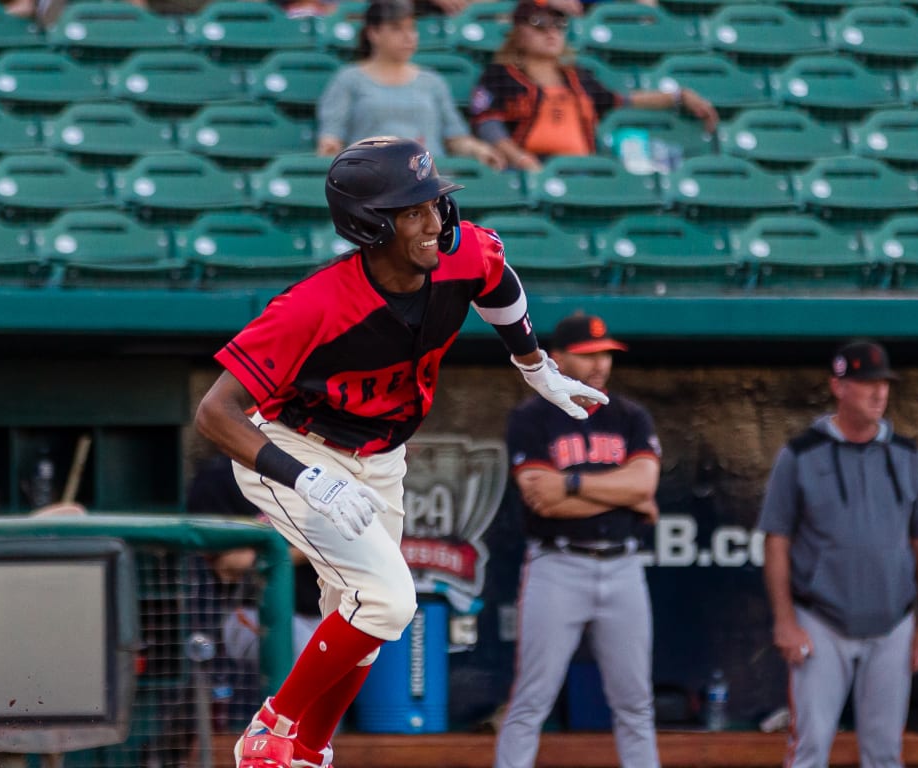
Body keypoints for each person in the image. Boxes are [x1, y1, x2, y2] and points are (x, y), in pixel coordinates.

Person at [194, 135, 608, 768]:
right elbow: (214, 412)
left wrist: (535, 366)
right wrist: (306, 479)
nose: (434, 221)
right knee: (390, 599)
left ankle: (307, 750)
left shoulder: (460, 253)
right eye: (412, 211)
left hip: (383, 456)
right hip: (295, 449)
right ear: (369, 224)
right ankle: (270, 731)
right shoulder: (314, 304)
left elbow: (498, 281)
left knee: (363, 619)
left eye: (435, 204)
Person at [757, 341, 918, 768]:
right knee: (810, 746)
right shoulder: (800, 453)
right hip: (820, 622)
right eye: (866, 384)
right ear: (838, 387)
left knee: (884, 752)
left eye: (884, 384)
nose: (878, 394)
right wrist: (785, 621)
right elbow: (776, 540)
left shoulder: (907, 455)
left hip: (893, 622)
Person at [494, 313, 662, 768]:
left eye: (605, 353)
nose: (599, 365)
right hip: (557, 565)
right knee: (531, 700)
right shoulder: (532, 417)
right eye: (588, 355)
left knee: (635, 703)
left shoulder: (629, 416)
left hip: (623, 567)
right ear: (559, 358)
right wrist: (621, 494)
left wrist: (570, 485)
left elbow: (644, 485)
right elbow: (540, 499)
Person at [468, 0, 718, 172]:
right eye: (539, 24)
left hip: (582, 170)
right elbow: (488, 124)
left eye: (558, 25)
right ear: (518, 33)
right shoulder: (500, 76)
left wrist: (679, 95)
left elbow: (623, 100)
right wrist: (523, 161)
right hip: (526, 171)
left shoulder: (578, 78)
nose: (551, 32)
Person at [315, 0, 504, 169]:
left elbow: (455, 138)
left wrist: (479, 150)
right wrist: (330, 147)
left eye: (412, 28)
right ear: (374, 33)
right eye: (397, 28)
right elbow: (332, 136)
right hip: (371, 177)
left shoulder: (432, 81)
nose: (408, 37)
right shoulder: (348, 79)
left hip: (427, 178)